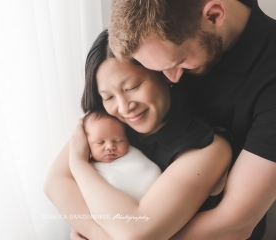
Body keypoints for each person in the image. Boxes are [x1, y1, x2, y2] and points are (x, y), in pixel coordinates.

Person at [108, 0, 276, 239]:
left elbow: (237, 223)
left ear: (215, 15)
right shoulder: (149, 32)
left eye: (179, 63)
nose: (171, 80)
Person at [44, 29, 232, 240]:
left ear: (164, 73)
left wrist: (78, 163)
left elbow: (136, 233)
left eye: (132, 87)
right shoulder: (107, 122)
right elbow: (55, 183)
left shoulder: (207, 148)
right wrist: (96, 233)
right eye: (109, 97)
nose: (124, 108)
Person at [84, 109, 161, 202]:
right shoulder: (86, 166)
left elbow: (149, 172)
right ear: (86, 144)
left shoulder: (132, 154)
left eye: (118, 141)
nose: (110, 147)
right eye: (100, 142)